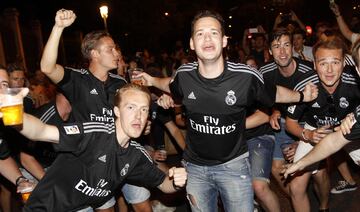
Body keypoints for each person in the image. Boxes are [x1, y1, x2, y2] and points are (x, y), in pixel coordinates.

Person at [137, 10, 318, 212]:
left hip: (234, 166)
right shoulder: (184, 75)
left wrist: (302, 96)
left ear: (223, 41)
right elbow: (170, 85)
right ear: (191, 43)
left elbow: (275, 93)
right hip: (195, 169)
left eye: (213, 33)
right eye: (200, 33)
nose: (207, 38)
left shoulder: (245, 77)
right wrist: (152, 81)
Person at [0, 84, 187, 211]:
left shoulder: (136, 155)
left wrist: (177, 181)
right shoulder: (94, 133)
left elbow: (164, 185)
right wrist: (14, 112)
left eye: (144, 109)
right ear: (116, 112)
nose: (138, 116)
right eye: (131, 107)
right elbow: (40, 131)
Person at [40, 9, 128, 211]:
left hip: (116, 159)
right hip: (83, 166)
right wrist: (58, 27)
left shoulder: (120, 82)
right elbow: (47, 67)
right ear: (94, 54)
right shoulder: (77, 79)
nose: (117, 53)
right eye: (110, 49)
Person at [285, 37, 360, 212]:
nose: (329, 70)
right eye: (323, 63)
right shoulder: (304, 85)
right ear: (314, 65)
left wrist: (352, 116)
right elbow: (290, 123)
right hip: (314, 129)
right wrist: (307, 135)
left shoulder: (355, 80)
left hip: (350, 127)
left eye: (335, 62)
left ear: (344, 64)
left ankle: (324, 206)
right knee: (296, 186)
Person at [259, 28, 318, 194]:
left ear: (293, 47)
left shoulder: (309, 72)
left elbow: (320, 112)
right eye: (277, 46)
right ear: (270, 51)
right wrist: (275, 110)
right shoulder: (265, 72)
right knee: (276, 167)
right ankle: (296, 197)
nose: (283, 51)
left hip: (309, 124)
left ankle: (323, 205)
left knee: (319, 176)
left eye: (286, 45)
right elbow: (266, 96)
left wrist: (301, 142)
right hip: (283, 123)